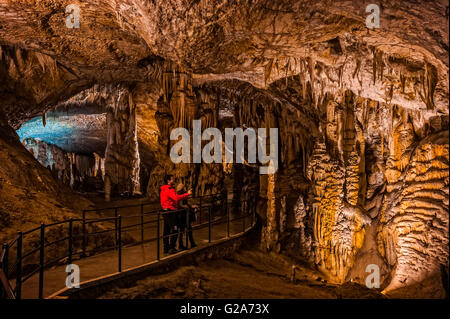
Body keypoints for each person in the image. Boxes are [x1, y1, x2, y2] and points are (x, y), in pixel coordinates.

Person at [160, 175, 192, 255]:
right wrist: (187, 194)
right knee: (175, 229)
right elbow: (176, 198)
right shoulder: (169, 189)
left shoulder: (162, 189)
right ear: (168, 180)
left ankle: (166, 249)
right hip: (171, 212)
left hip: (165, 211)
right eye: (172, 179)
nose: (173, 180)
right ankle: (172, 248)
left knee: (166, 231)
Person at [176, 183, 197, 249]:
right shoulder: (181, 194)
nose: (186, 188)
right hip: (183, 215)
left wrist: (191, 206)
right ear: (182, 188)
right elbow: (181, 204)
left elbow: (184, 203)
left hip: (183, 214)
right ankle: (185, 244)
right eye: (185, 187)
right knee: (186, 229)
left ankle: (186, 243)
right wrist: (188, 207)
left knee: (185, 229)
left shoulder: (181, 194)